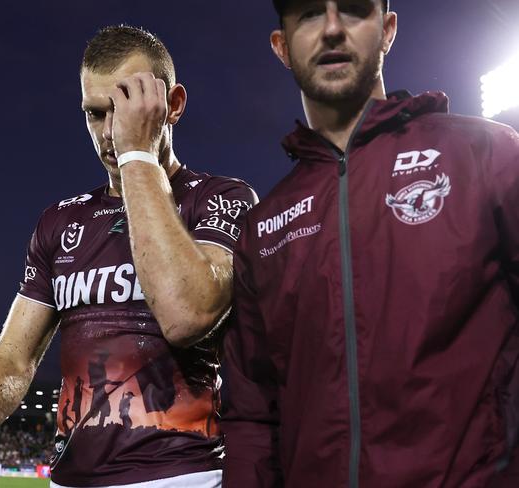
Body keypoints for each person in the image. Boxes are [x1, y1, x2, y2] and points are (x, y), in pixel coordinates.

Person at [0, 25, 257, 488]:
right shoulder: (60, 221)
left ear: (171, 105)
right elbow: (14, 358)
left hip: (183, 476)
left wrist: (138, 156)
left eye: (125, 109)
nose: (110, 132)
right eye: (95, 113)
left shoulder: (220, 198)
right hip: (70, 479)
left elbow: (187, 314)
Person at [221, 1, 519, 487]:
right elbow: (254, 416)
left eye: (355, 10)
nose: (333, 29)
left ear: (387, 29)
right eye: (312, 14)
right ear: (282, 46)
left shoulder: (486, 154)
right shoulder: (264, 226)